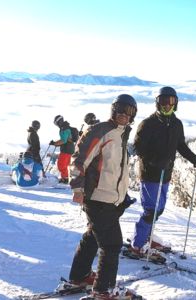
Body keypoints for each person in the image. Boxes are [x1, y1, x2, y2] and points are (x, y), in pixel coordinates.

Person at [66, 94, 138, 300]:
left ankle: (79, 276)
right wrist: (77, 189)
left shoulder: (121, 133)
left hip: (110, 198)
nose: (124, 115)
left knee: (93, 236)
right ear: (113, 110)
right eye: (120, 110)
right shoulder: (100, 131)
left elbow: (115, 170)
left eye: (129, 111)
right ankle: (104, 290)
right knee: (112, 244)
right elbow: (79, 160)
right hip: (97, 197)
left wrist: (122, 195)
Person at [128, 86, 196, 259]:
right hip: (150, 174)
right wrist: (154, 160)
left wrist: (194, 158)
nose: (167, 106)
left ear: (175, 104)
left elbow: (181, 145)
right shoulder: (148, 124)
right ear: (157, 104)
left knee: (159, 209)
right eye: (163, 102)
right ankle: (137, 244)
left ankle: (147, 235)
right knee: (150, 210)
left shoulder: (176, 124)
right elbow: (139, 148)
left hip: (166, 174)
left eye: (171, 102)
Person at [50, 115, 75, 183]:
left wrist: (55, 143)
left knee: (61, 165)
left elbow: (63, 140)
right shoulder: (66, 127)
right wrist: (56, 143)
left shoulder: (64, 128)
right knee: (67, 165)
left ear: (58, 122)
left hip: (66, 150)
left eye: (56, 123)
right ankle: (66, 178)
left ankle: (66, 179)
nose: (56, 125)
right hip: (70, 149)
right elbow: (66, 139)